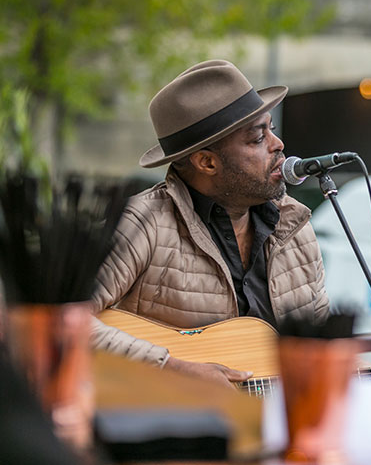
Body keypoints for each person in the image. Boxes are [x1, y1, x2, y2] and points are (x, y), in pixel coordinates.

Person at [90, 60, 330, 388]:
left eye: (271, 129)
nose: (278, 145)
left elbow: (323, 355)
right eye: (258, 138)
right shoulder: (141, 224)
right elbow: (61, 320)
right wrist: (170, 368)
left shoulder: (296, 228)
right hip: (167, 431)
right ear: (207, 162)